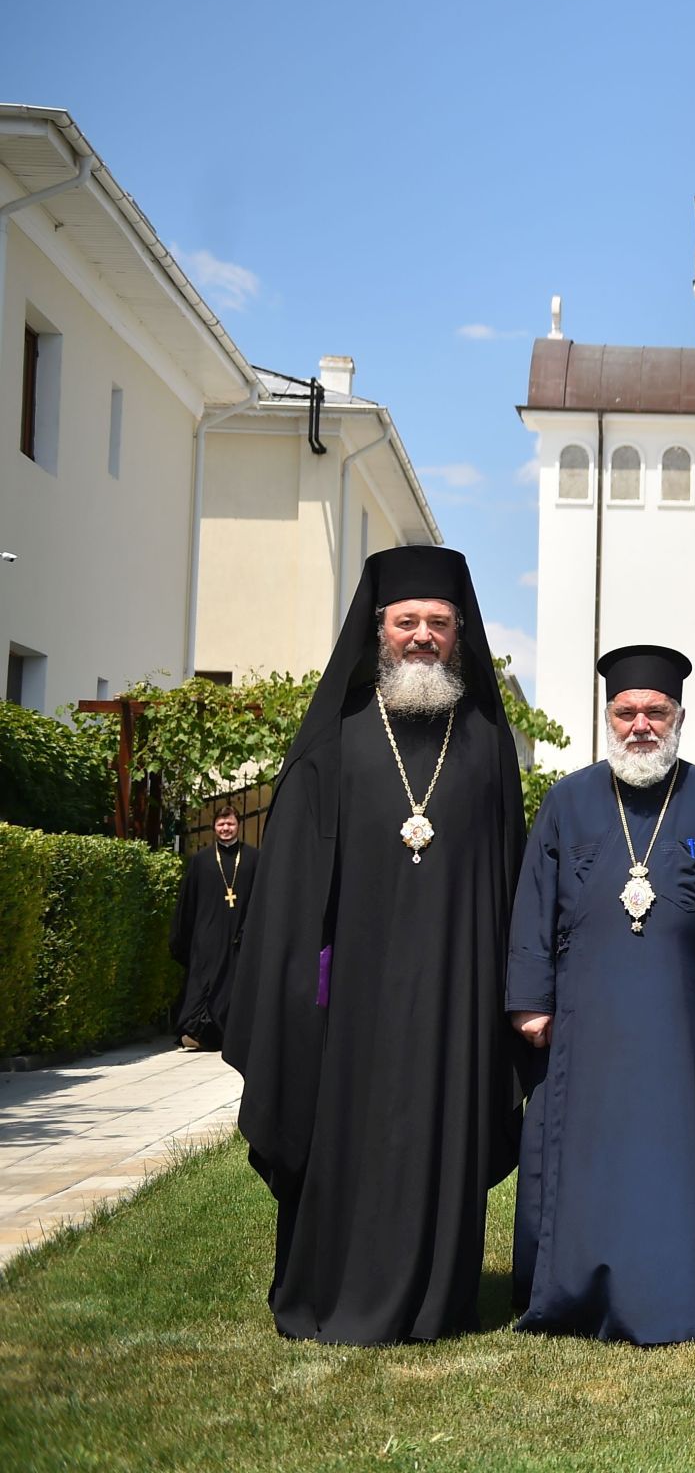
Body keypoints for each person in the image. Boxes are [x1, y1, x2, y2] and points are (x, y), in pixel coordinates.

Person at [223, 544, 525, 1344]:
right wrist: (298, 996)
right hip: (348, 1003)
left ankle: (437, 1301)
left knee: (442, 1138)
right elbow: (290, 895)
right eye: (406, 622)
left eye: (438, 623)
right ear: (378, 630)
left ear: (460, 634)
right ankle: (330, 1293)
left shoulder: (490, 746)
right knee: (342, 1141)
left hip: (456, 1001)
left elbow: (509, 878)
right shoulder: (336, 742)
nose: (422, 636)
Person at [506, 644, 695, 1344]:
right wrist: (531, 999)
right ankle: (573, 1294)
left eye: (656, 711)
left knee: (671, 1157)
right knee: (584, 1155)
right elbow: (534, 906)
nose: (641, 724)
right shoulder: (568, 799)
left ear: (679, 716)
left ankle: (674, 1299)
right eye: (627, 712)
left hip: (680, 1021)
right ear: (608, 716)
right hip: (584, 1019)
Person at [171, 801, 256, 1051]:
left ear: (238, 826)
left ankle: (234, 1033)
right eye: (221, 824)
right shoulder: (201, 861)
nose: (225, 828)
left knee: (235, 983)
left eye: (230, 823)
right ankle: (198, 1032)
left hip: (241, 933)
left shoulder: (253, 858)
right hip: (207, 935)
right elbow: (188, 902)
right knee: (204, 982)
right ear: (214, 827)